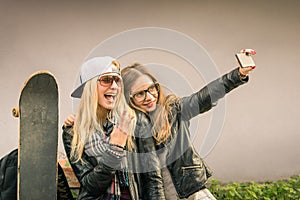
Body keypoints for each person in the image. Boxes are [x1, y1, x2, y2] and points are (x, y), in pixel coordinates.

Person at [65, 49, 256, 199]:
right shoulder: (123, 123)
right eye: (140, 93)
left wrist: (237, 75)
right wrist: (111, 143)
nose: (149, 97)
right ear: (128, 97)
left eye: (152, 89)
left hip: (188, 191)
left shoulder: (158, 113)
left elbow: (203, 98)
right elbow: (94, 185)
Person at [62, 56, 140, 200]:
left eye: (117, 80)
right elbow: (91, 186)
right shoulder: (72, 132)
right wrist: (115, 148)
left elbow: (151, 179)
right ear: (89, 88)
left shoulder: (132, 121)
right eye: (106, 80)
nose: (114, 86)